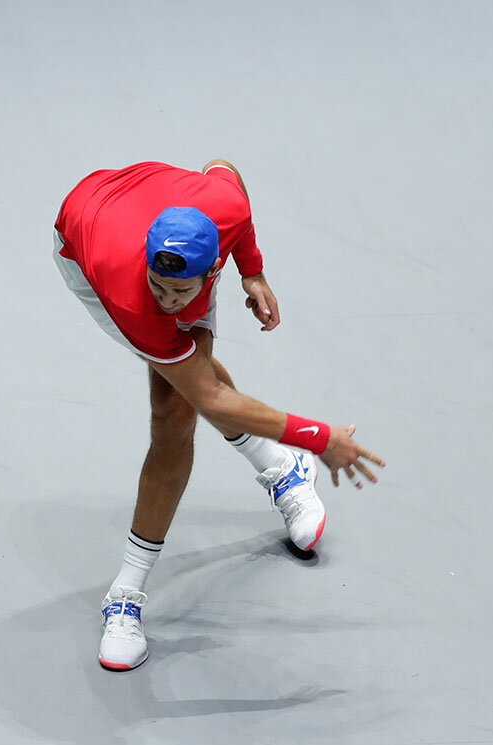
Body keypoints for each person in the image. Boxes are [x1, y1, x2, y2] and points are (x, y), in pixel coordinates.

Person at [53, 160, 385, 671]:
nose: (168, 302)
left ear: (212, 270)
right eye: (159, 286)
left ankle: (275, 471)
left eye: (180, 292)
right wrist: (319, 438)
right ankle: (126, 595)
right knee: (177, 409)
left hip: (137, 204)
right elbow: (208, 394)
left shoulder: (223, 208)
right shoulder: (137, 297)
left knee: (178, 401)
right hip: (82, 244)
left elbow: (225, 173)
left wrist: (252, 271)